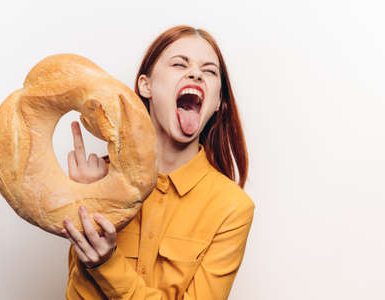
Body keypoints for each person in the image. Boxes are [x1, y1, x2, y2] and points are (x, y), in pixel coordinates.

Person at [61, 25, 255, 299]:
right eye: (179, 64)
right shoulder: (100, 179)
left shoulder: (232, 208)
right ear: (146, 85)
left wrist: (108, 264)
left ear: (217, 102)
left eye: (209, 71)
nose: (196, 74)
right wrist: (90, 205)